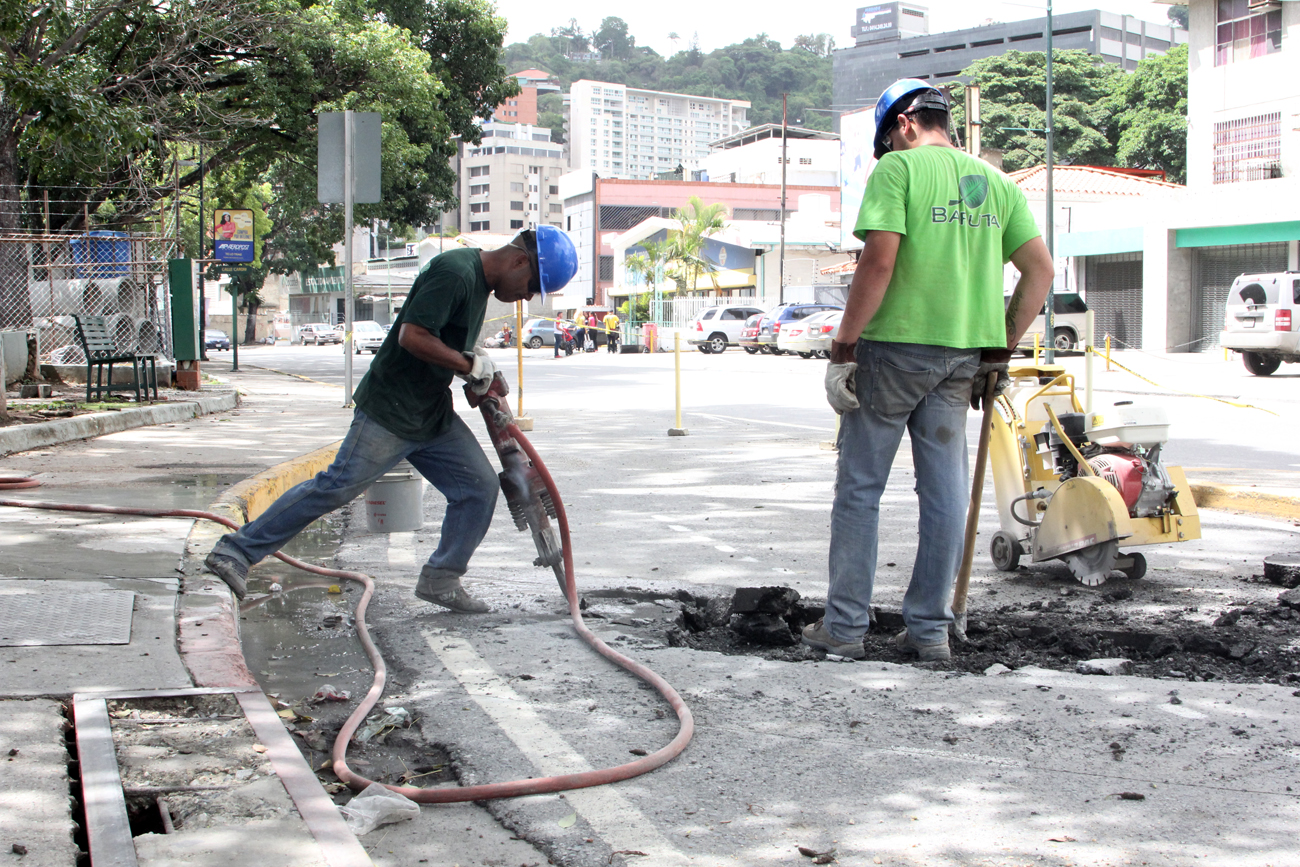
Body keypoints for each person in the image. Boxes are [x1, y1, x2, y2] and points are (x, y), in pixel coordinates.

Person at [801, 79, 1054, 662]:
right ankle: (929, 632)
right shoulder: (996, 183)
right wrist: (1002, 348)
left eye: (889, 139)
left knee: (860, 489)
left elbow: (879, 261)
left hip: (893, 351)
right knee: (944, 496)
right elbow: (1039, 271)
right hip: (965, 357)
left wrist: (844, 346)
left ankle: (843, 629)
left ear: (905, 125)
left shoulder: (898, 172)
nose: (889, 149)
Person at [204, 226, 579, 612]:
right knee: (335, 486)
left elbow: (448, 345)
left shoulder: (479, 284)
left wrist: (478, 373)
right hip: (392, 408)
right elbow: (412, 336)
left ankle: (441, 578)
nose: (528, 296)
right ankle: (235, 551)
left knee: (478, 489)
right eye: (532, 285)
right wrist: (469, 364)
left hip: (431, 414)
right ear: (519, 261)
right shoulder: (456, 271)